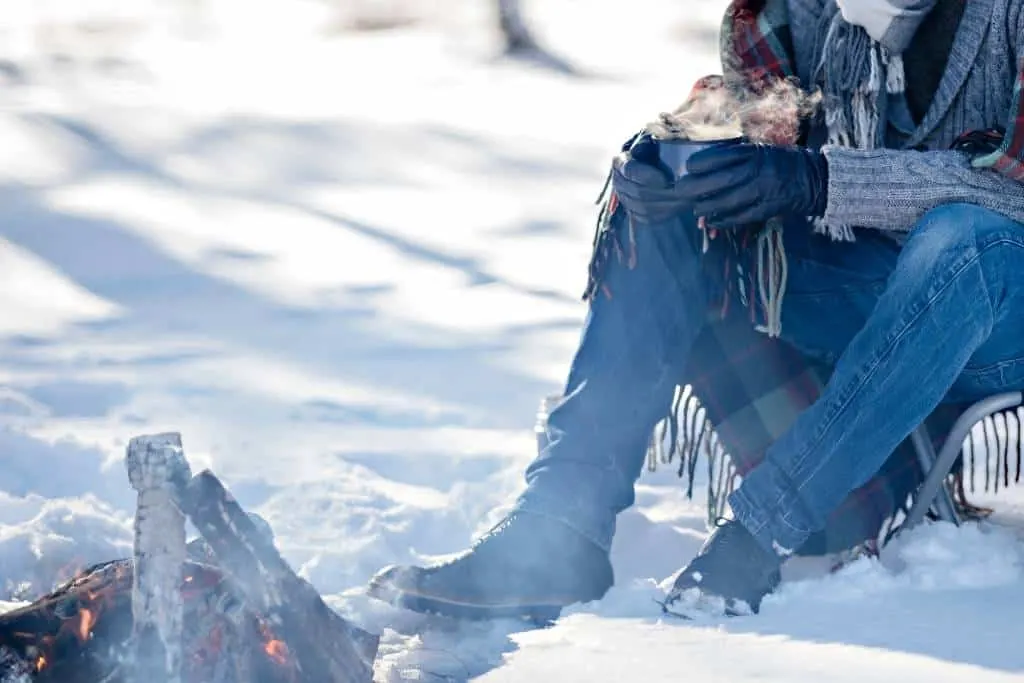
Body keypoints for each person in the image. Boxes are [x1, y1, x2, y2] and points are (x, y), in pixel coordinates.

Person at [367, 0, 1024, 619]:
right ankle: (558, 526)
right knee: (674, 198)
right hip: (862, 277)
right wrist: (683, 147)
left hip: (996, 309)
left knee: (961, 239)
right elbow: (760, 113)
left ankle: (757, 535)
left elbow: (1011, 192)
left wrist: (822, 182)